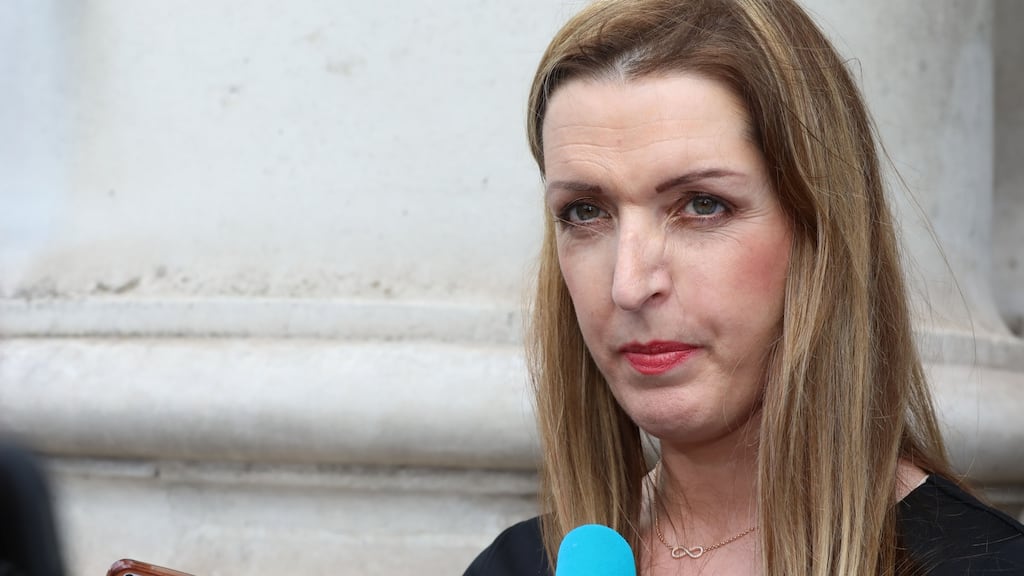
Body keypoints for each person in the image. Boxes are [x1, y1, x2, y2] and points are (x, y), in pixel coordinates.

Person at [463, 0, 1024, 574]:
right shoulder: (514, 566)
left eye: (702, 205)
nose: (628, 285)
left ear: (819, 233)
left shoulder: (983, 564)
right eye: (585, 211)